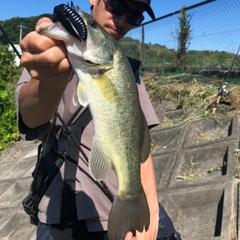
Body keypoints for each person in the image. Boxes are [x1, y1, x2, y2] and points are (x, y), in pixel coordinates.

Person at [15, 0, 181, 239]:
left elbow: (139, 149)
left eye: (135, 18)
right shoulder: (42, 60)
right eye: (117, 6)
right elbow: (31, 119)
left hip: (116, 199)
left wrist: (152, 209)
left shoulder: (129, 71)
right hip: (59, 209)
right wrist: (48, 79)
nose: (123, 20)